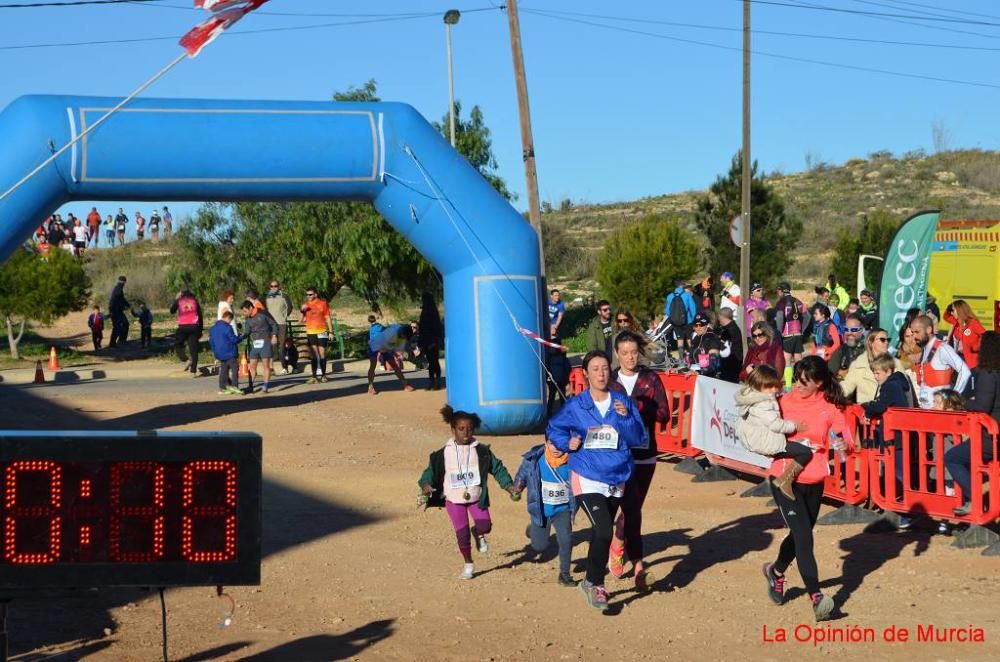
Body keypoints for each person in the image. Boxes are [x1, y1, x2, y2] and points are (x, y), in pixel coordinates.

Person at [546, 350, 646, 611]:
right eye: (595, 369)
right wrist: (567, 443)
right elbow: (554, 429)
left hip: (617, 475)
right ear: (586, 374)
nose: (601, 374)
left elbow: (638, 438)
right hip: (587, 475)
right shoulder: (576, 406)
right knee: (604, 530)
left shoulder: (622, 402)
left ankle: (590, 581)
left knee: (599, 533)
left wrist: (625, 418)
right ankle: (596, 584)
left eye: (604, 369)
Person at [763, 356, 854, 622]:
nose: (798, 386)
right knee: (805, 538)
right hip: (785, 479)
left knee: (800, 534)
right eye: (797, 380)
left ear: (819, 383)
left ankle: (776, 571)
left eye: (805, 382)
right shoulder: (780, 402)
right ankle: (817, 597)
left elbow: (844, 436)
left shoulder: (829, 406)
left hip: (814, 480)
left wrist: (842, 445)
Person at [417, 405, 518, 580]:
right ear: (453, 429)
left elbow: (497, 468)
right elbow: (429, 473)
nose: (466, 433)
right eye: (461, 429)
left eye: (470, 429)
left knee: (485, 526)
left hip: (475, 497)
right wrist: (426, 485)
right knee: (462, 535)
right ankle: (468, 563)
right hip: (454, 499)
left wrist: (509, 486)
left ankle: (478, 533)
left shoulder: (482, 451)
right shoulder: (442, 454)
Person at [608, 331, 668, 591]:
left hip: (644, 454)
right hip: (614, 454)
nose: (631, 357)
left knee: (634, 509)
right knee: (618, 506)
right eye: (625, 353)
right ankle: (616, 548)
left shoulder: (650, 379)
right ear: (617, 354)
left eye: (634, 352)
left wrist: (640, 408)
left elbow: (664, 414)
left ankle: (621, 542)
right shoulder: (609, 380)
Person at [734, 365, 812, 499]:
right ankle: (785, 481)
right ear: (758, 386)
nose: (774, 390)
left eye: (775, 386)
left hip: (753, 439)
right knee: (805, 452)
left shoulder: (752, 394)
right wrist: (795, 426)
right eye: (769, 387)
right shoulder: (763, 403)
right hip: (764, 443)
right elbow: (776, 425)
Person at [946, 331, 1000, 516]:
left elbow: (982, 406)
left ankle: (974, 499)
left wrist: (962, 404)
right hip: (994, 435)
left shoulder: (987, 373)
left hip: (990, 437)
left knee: (952, 458)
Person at [512, 439, 577, 586]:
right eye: (552, 443)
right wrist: (517, 487)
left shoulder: (575, 461)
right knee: (539, 546)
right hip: (541, 511)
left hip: (563, 510)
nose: (556, 448)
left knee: (566, 540)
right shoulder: (535, 458)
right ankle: (532, 531)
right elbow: (522, 474)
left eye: (561, 444)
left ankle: (564, 574)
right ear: (546, 442)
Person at [909, 315, 971, 409]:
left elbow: (965, 371)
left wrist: (952, 398)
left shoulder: (943, 348)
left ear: (929, 330)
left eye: (917, 332)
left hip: (940, 411)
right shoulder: (925, 349)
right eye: (912, 333)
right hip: (925, 408)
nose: (914, 336)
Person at [840, 328, 897, 405]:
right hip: (865, 411)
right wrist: (833, 391)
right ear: (871, 342)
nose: (886, 342)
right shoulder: (858, 364)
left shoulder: (895, 363)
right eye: (882, 340)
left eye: (888, 340)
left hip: (889, 412)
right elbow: (846, 387)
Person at [240, 299, 279, 394]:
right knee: (252, 366)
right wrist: (239, 337)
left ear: (250, 308)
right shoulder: (248, 319)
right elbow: (247, 332)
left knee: (266, 366)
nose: (244, 314)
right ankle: (250, 386)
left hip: (265, 342)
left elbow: (274, 325)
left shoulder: (263, 313)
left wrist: (274, 335)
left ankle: (265, 387)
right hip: (255, 344)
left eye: (245, 311)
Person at [774, 282, 808, 387]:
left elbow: (780, 317)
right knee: (799, 361)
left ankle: (788, 386)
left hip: (787, 335)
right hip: (798, 334)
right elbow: (807, 316)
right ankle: (802, 383)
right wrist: (802, 328)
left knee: (787, 362)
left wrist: (779, 330)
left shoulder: (781, 302)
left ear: (781, 291)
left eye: (778, 291)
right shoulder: (798, 301)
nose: (777, 293)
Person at [367, 321, 415, 394]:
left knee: (394, 365)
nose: (404, 338)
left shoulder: (402, 331)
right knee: (373, 364)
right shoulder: (391, 333)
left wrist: (400, 354)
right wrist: (398, 354)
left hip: (386, 344)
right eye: (403, 337)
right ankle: (370, 387)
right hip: (375, 343)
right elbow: (391, 347)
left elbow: (397, 346)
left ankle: (406, 384)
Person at [301, 287, 333, 383]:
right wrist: (302, 311)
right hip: (311, 332)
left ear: (315, 294)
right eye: (307, 295)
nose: (308, 296)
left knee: (322, 353)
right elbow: (301, 321)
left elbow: (328, 318)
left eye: (310, 294)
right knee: (313, 354)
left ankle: (323, 375)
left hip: (322, 331)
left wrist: (331, 332)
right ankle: (314, 376)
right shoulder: (305, 305)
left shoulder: (322, 304)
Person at [209, 310, 244, 395]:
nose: (230, 322)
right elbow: (233, 340)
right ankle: (235, 386)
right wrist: (241, 337)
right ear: (228, 318)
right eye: (230, 320)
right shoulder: (227, 327)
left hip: (219, 353)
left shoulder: (213, 329)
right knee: (234, 369)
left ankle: (222, 387)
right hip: (230, 352)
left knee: (223, 370)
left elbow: (211, 342)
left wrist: (215, 352)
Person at [170, 287, 203, 377]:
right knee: (194, 350)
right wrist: (200, 330)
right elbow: (200, 316)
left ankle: (186, 359)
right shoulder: (195, 301)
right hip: (194, 326)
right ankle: (193, 372)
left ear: (182, 294)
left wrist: (176, 299)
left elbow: (172, 311)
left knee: (178, 344)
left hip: (183, 326)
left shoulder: (179, 301)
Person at [944, 300, 985, 369]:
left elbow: (985, 336)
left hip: (971, 361)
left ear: (960, 310)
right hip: (959, 358)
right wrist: (951, 306)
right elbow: (946, 316)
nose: (951, 313)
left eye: (953, 310)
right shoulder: (956, 322)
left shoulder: (973, 322)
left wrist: (976, 347)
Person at [265, 281, 294, 375]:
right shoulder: (267, 297)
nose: (273, 287)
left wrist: (284, 316)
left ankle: (284, 367)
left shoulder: (284, 296)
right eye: (271, 286)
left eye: (275, 286)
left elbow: (290, 307)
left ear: (279, 286)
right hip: (271, 325)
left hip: (281, 324)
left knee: (282, 346)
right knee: (272, 345)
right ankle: (271, 368)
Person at [418, 291, 444, 390]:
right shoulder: (424, 311)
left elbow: (436, 327)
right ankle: (432, 381)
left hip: (432, 341)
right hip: (426, 341)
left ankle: (437, 382)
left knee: (434, 361)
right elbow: (422, 328)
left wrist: (433, 342)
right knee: (431, 362)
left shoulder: (432, 312)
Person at [664, 281, 697, 355]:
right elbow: (693, 309)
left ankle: (681, 360)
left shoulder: (670, 296)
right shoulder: (687, 295)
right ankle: (693, 358)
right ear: (682, 286)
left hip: (676, 322)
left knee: (680, 340)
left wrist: (673, 317)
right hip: (687, 321)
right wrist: (693, 319)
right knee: (689, 340)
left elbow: (666, 311)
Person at [544, 329, 571, 416]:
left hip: (560, 380)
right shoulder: (549, 357)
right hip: (553, 381)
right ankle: (549, 412)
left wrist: (566, 378)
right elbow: (546, 369)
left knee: (562, 397)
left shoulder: (562, 357)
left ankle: (565, 412)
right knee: (552, 397)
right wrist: (548, 379)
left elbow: (567, 367)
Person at [810, 304, 842, 374]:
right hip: (818, 353)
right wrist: (813, 353)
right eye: (814, 314)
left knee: (827, 374)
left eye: (816, 314)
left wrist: (828, 352)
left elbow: (837, 343)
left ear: (823, 315)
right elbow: (814, 341)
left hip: (828, 354)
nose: (814, 315)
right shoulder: (816, 326)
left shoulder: (831, 326)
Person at [717, 308, 744, 383]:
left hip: (732, 364)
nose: (718, 319)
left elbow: (725, 345)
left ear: (722, 317)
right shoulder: (728, 328)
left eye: (719, 317)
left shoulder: (731, 330)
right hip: (730, 363)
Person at [108, 276, 130, 347]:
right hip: (115, 311)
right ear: (124, 282)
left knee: (124, 324)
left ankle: (121, 340)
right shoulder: (118, 290)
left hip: (116, 310)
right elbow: (117, 301)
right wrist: (124, 307)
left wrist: (127, 305)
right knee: (118, 326)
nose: (123, 284)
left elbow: (122, 299)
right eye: (123, 282)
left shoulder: (118, 288)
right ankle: (114, 342)